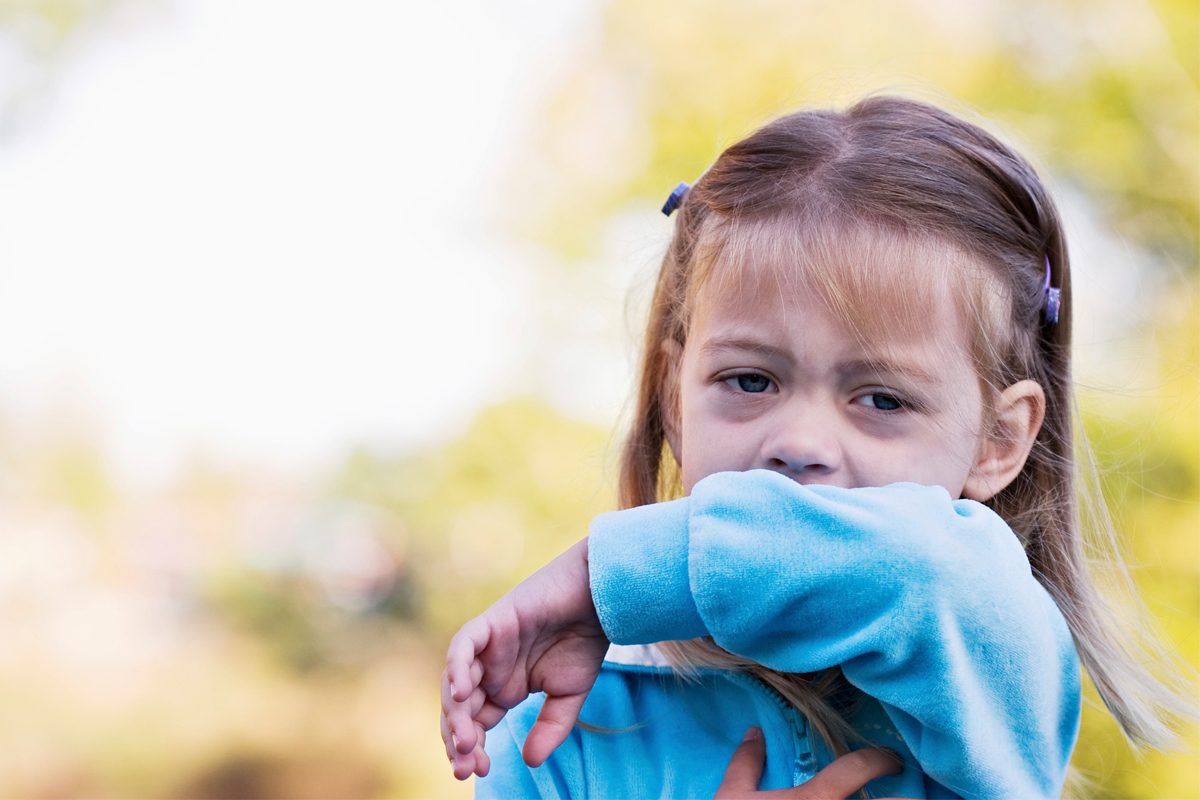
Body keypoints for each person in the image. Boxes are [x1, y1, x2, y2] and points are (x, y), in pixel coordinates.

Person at [439, 96, 1187, 798]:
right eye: (750, 380)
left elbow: (921, 567)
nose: (798, 442)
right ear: (675, 391)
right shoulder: (568, 726)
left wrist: (608, 576)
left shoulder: (983, 644)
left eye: (882, 399)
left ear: (997, 442)